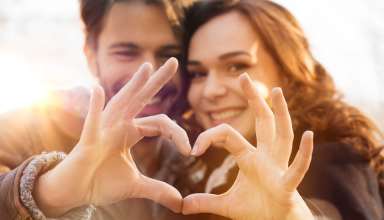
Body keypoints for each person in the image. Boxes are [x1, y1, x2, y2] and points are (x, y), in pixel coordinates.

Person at [154, 0, 384, 219]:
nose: (210, 91)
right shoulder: (198, 172)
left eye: (236, 66)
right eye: (198, 73)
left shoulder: (327, 160)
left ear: (287, 71)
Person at [0, 0, 189, 219]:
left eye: (168, 54)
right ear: (91, 55)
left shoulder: (193, 152)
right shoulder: (24, 129)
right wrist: (47, 194)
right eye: (126, 53)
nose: (151, 72)